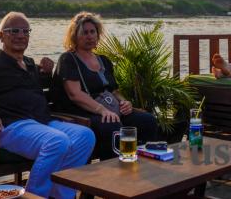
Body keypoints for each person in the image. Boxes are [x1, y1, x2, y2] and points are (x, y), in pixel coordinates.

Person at [0, 12, 95, 199]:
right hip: (10, 125)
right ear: (1, 36)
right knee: (57, 141)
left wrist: (47, 73)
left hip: (42, 122)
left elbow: (39, 91)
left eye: (25, 31)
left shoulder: (30, 65)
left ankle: (61, 195)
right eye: (13, 31)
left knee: (85, 136)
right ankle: (34, 195)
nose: (21, 35)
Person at [52, 12, 157, 160]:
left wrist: (124, 102)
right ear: (75, 36)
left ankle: (140, 163)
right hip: (81, 113)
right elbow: (75, 94)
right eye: (85, 33)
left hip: (109, 110)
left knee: (147, 120)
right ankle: (112, 172)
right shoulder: (68, 59)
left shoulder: (104, 60)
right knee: (111, 127)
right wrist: (102, 110)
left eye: (92, 32)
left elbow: (113, 90)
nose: (89, 36)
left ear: (98, 34)